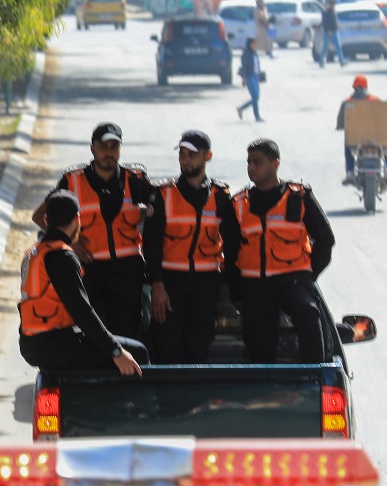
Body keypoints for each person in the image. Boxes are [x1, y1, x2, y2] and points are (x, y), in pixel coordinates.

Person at [30, 122, 155, 341]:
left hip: (127, 272)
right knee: (90, 335)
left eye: (114, 147)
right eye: (103, 147)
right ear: (92, 148)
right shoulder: (73, 180)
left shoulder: (135, 180)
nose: (109, 153)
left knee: (128, 335)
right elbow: (39, 215)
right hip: (89, 270)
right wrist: (71, 245)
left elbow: (159, 214)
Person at [225, 139, 334, 363]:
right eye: (249, 162)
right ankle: (261, 387)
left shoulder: (299, 197)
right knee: (259, 342)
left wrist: (308, 276)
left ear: (275, 164)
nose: (251, 168)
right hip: (256, 285)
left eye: (257, 162)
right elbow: (231, 250)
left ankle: (315, 372)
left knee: (308, 312)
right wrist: (236, 293)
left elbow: (325, 239)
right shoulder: (239, 204)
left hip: (292, 282)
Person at [19, 189, 147, 374]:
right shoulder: (62, 256)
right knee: (138, 352)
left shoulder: (34, 253)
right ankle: (132, 403)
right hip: (55, 344)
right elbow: (81, 311)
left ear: (46, 221)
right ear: (78, 219)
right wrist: (117, 351)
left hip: (33, 344)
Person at [144, 130, 234, 364]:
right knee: (168, 350)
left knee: (199, 350)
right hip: (170, 285)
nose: (185, 160)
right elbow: (151, 244)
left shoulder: (221, 195)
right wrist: (157, 285)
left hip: (205, 286)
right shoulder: (163, 194)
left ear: (208, 156)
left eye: (192, 155)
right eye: (182, 155)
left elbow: (233, 243)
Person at [336, 74, 387, 186]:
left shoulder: (347, 102)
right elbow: (385, 118)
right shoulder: (376, 100)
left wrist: (340, 127)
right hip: (376, 138)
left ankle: (350, 173)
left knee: (348, 149)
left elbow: (341, 122)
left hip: (355, 140)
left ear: (354, 87)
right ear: (366, 87)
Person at [235, 38, 263, 121]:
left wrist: (260, 76)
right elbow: (244, 67)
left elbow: (257, 66)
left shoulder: (255, 53)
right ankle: (257, 116)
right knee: (254, 97)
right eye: (253, 43)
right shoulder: (246, 54)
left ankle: (241, 108)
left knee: (256, 98)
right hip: (249, 77)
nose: (255, 45)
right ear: (249, 44)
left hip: (256, 76)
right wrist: (244, 78)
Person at [317, 0, 345, 67]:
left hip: (334, 31)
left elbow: (334, 22)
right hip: (328, 32)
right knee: (325, 47)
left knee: (338, 47)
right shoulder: (326, 13)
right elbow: (324, 23)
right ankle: (321, 62)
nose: (333, 6)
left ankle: (342, 61)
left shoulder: (333, 12)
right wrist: (328, 30)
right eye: (332, 4)